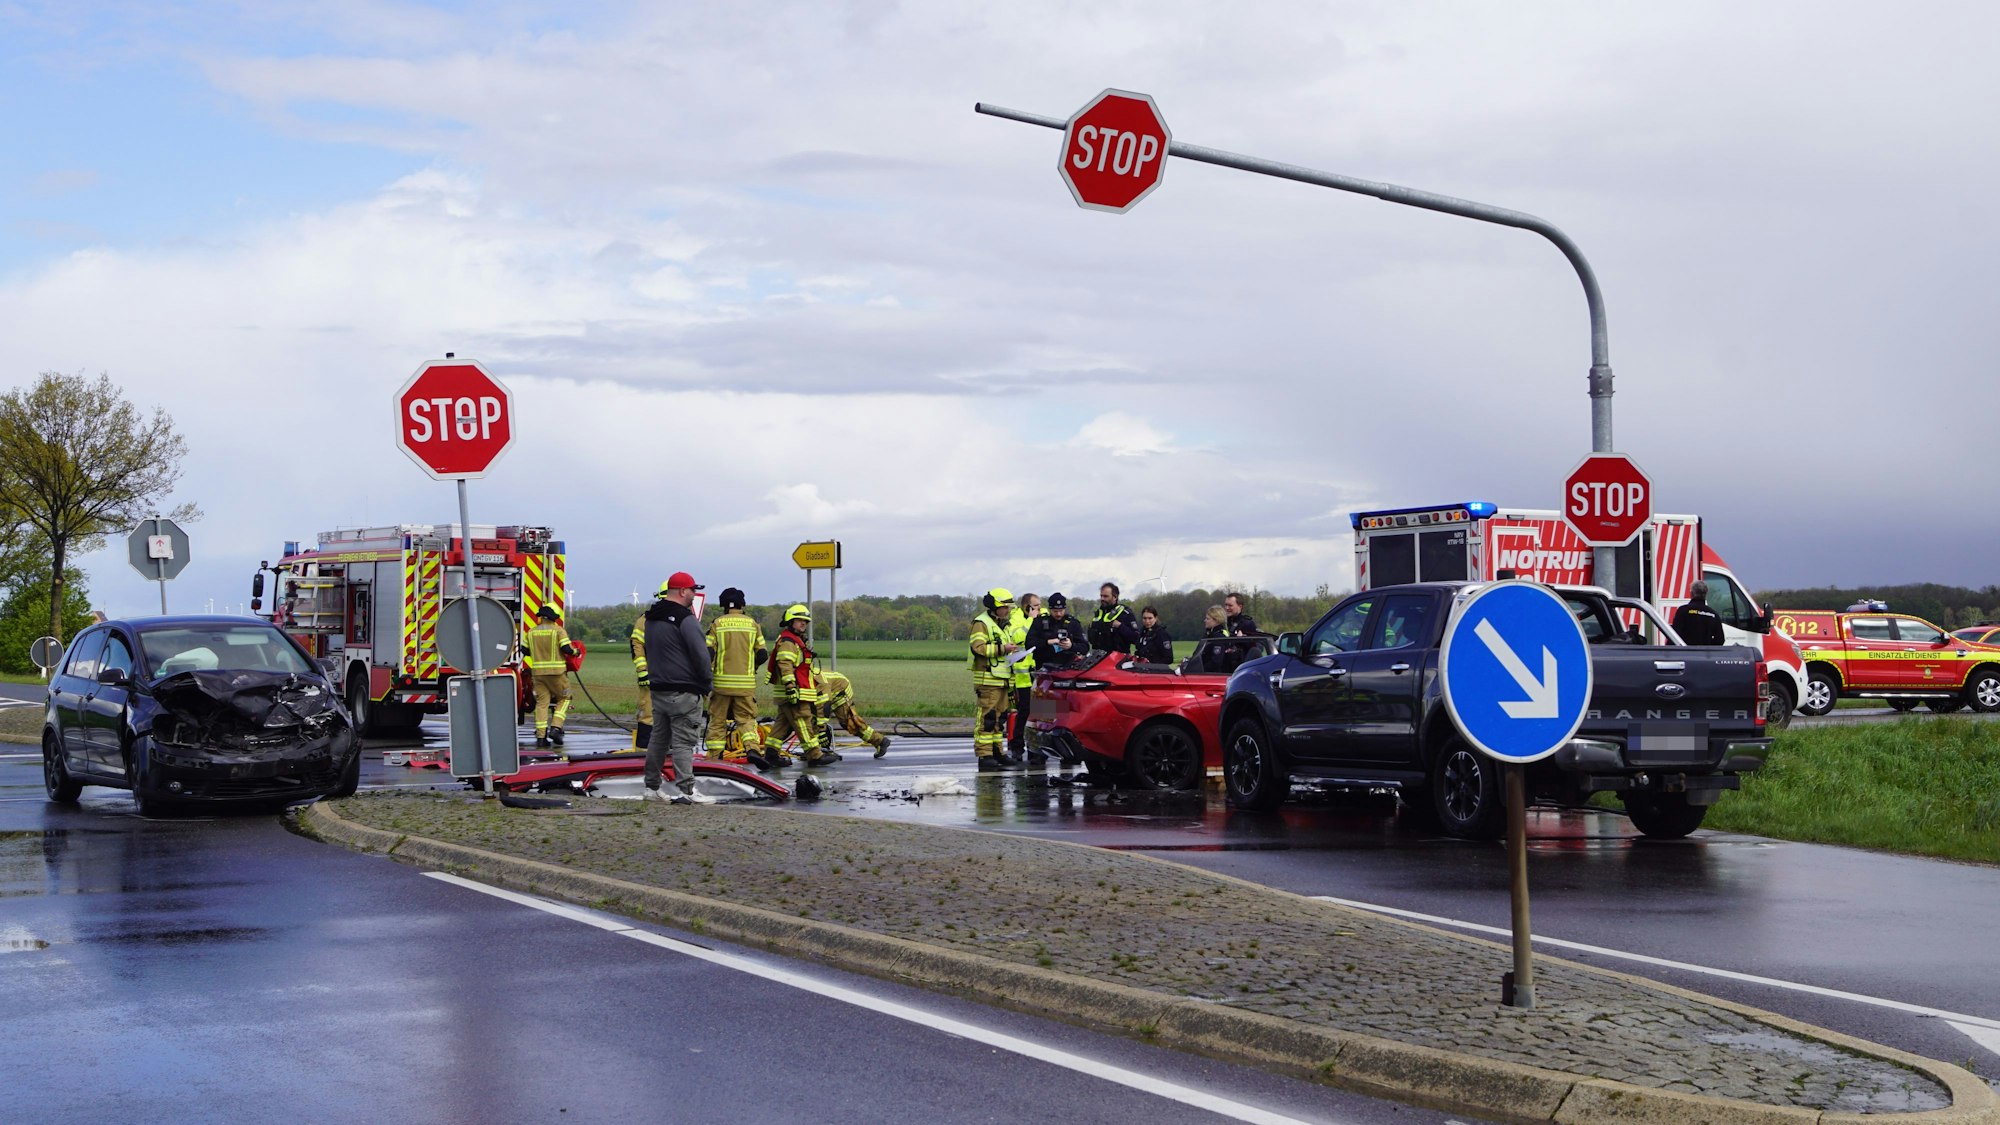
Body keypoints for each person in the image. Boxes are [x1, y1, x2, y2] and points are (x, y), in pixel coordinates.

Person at [641, 573, 716, 805]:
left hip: (658, 689)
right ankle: (688, 791)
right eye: (692, 590)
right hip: (684, 691)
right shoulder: (686, 619)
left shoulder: (651, 618)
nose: (695, 595)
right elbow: (701, 655)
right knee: (684, 742)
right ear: (683, 591)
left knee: (658, 740)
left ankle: (651, 787)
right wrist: (706, 684)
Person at [763, 605, 837, 766]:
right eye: (799, 620)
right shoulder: (789, 642)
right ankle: (815, 755)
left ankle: (771, 754)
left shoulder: (794, 640)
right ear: (790, 621)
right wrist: (791, 687)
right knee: (803, 721)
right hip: (794, 692)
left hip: (794, 692)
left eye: (805, 621)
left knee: (782, 726)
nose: (803, 623)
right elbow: (785, 664)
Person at [704, 587, 768, 766]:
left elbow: (708, 651)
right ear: (742, 604)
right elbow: (762, 654)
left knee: (717, 721)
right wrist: (751, 668)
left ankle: (715, 759)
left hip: (721, 684)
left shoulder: (717, 623)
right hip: (745, 685)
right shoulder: (753, 624)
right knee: (746, 720)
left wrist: (707, 672)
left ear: (724, 605)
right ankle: (752, 749)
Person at [968, 588, 1020, 771]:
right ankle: (984, 755)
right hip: (988, 680)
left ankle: (998, 752)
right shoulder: (981, 623)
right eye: (1006, 607)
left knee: (1000, 719)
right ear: (996, 606)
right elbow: (978, 648)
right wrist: (1003, 649)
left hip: (1002, 680)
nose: (1009, 610)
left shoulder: (1000, 624)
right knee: (987, 719)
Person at [523, 605, 578, 750]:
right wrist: (576, 652)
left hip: (538, 675)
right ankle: (555, 728)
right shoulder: (558, 631)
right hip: (557, 674)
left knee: (542, 704)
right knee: (565, 698)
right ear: (554, 618)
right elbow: (567, 649)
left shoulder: (531, 632)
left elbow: (524, 650)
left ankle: (541, 738)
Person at [816, 668, 891, 757]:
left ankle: (880, 741)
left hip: (840, 690)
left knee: (849, 723)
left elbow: (824, 706)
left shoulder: (819, 682)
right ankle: (818, 751)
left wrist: (821, 729)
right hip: (829, 690)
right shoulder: (804, 678)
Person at [1005, 593, 1041, 764]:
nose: (1039, 609)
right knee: (1024, 712)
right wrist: (1031, 620)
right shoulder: (1016, 618)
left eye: (1040, 605)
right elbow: (1019, 638)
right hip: (1023, 676)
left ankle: (1038, 750)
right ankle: (1017, 747)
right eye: (1036, 606)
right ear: (1027, 607)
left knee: (1043, 712)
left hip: (1039, 674)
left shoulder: (1042, 615)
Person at [1025, 592, 1088, 668]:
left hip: (1067, 668)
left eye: (1061, 611)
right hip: (1044, 667)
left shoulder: (1073, 624)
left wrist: (1071, 646)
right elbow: (1029, 644)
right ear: (1050, 609)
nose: (1058, 614)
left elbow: (1085, 647)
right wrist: (1047, 642)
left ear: (1065, 609)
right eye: (1055, 611)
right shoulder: (1040, 622)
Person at [1088, 582, 1140, 655]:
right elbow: (1092, 639)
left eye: (1106, 596)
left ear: (1115, 597)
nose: (1102, 599)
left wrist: (1120, 626)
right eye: (1101, 596)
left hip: (1118, 660)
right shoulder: (1098, 614)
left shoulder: (1125, 614)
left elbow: (1136, 638)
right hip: (1098, 659)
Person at [1672, 581, 1728, 645]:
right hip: (1705, 654)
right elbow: (1720, 640)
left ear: (1692, 593)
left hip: (1685, 653)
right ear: (1706, 594)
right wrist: (1708, 647)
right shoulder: (1713, 615)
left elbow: (1674, 635)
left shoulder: (1683, 611)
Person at [628, 605, 652, 750]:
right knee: (648, 714)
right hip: (660, 675)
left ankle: (643, 753)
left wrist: (642, 671)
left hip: (652, 673)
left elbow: (636, 645)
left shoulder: (644, 620)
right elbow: (636, 644)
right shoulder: (682, 618)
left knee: (647, 714)